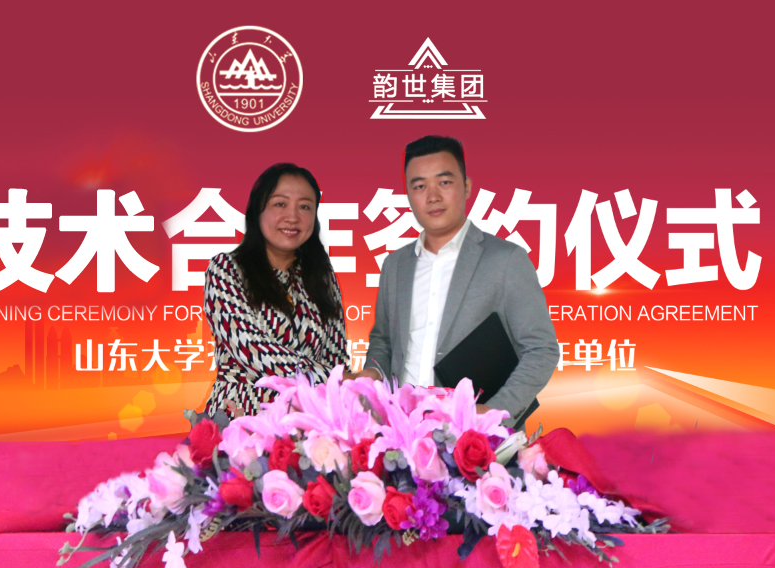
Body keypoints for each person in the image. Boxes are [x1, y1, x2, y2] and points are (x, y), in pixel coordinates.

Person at [350, 136, 559, 424]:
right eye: (420, 186)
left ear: (467, 187)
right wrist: (373, 373)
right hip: (401, 427)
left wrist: (493, 413)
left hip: (473, 434)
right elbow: (383, 342)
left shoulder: (506, 260)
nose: (432, 196)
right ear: (408, 195)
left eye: (444, 182)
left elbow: (541, 349)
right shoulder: (395, 266)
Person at [203, 163, 349, 419]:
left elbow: (335, 357)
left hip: (308, 420)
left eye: (305, 207)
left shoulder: (321, 275)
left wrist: (342, 388)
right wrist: (337, 379)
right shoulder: (226, 268)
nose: (292, 217)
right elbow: (253, 350)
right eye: (280, 204)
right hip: (242, 416)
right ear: (257, 210)